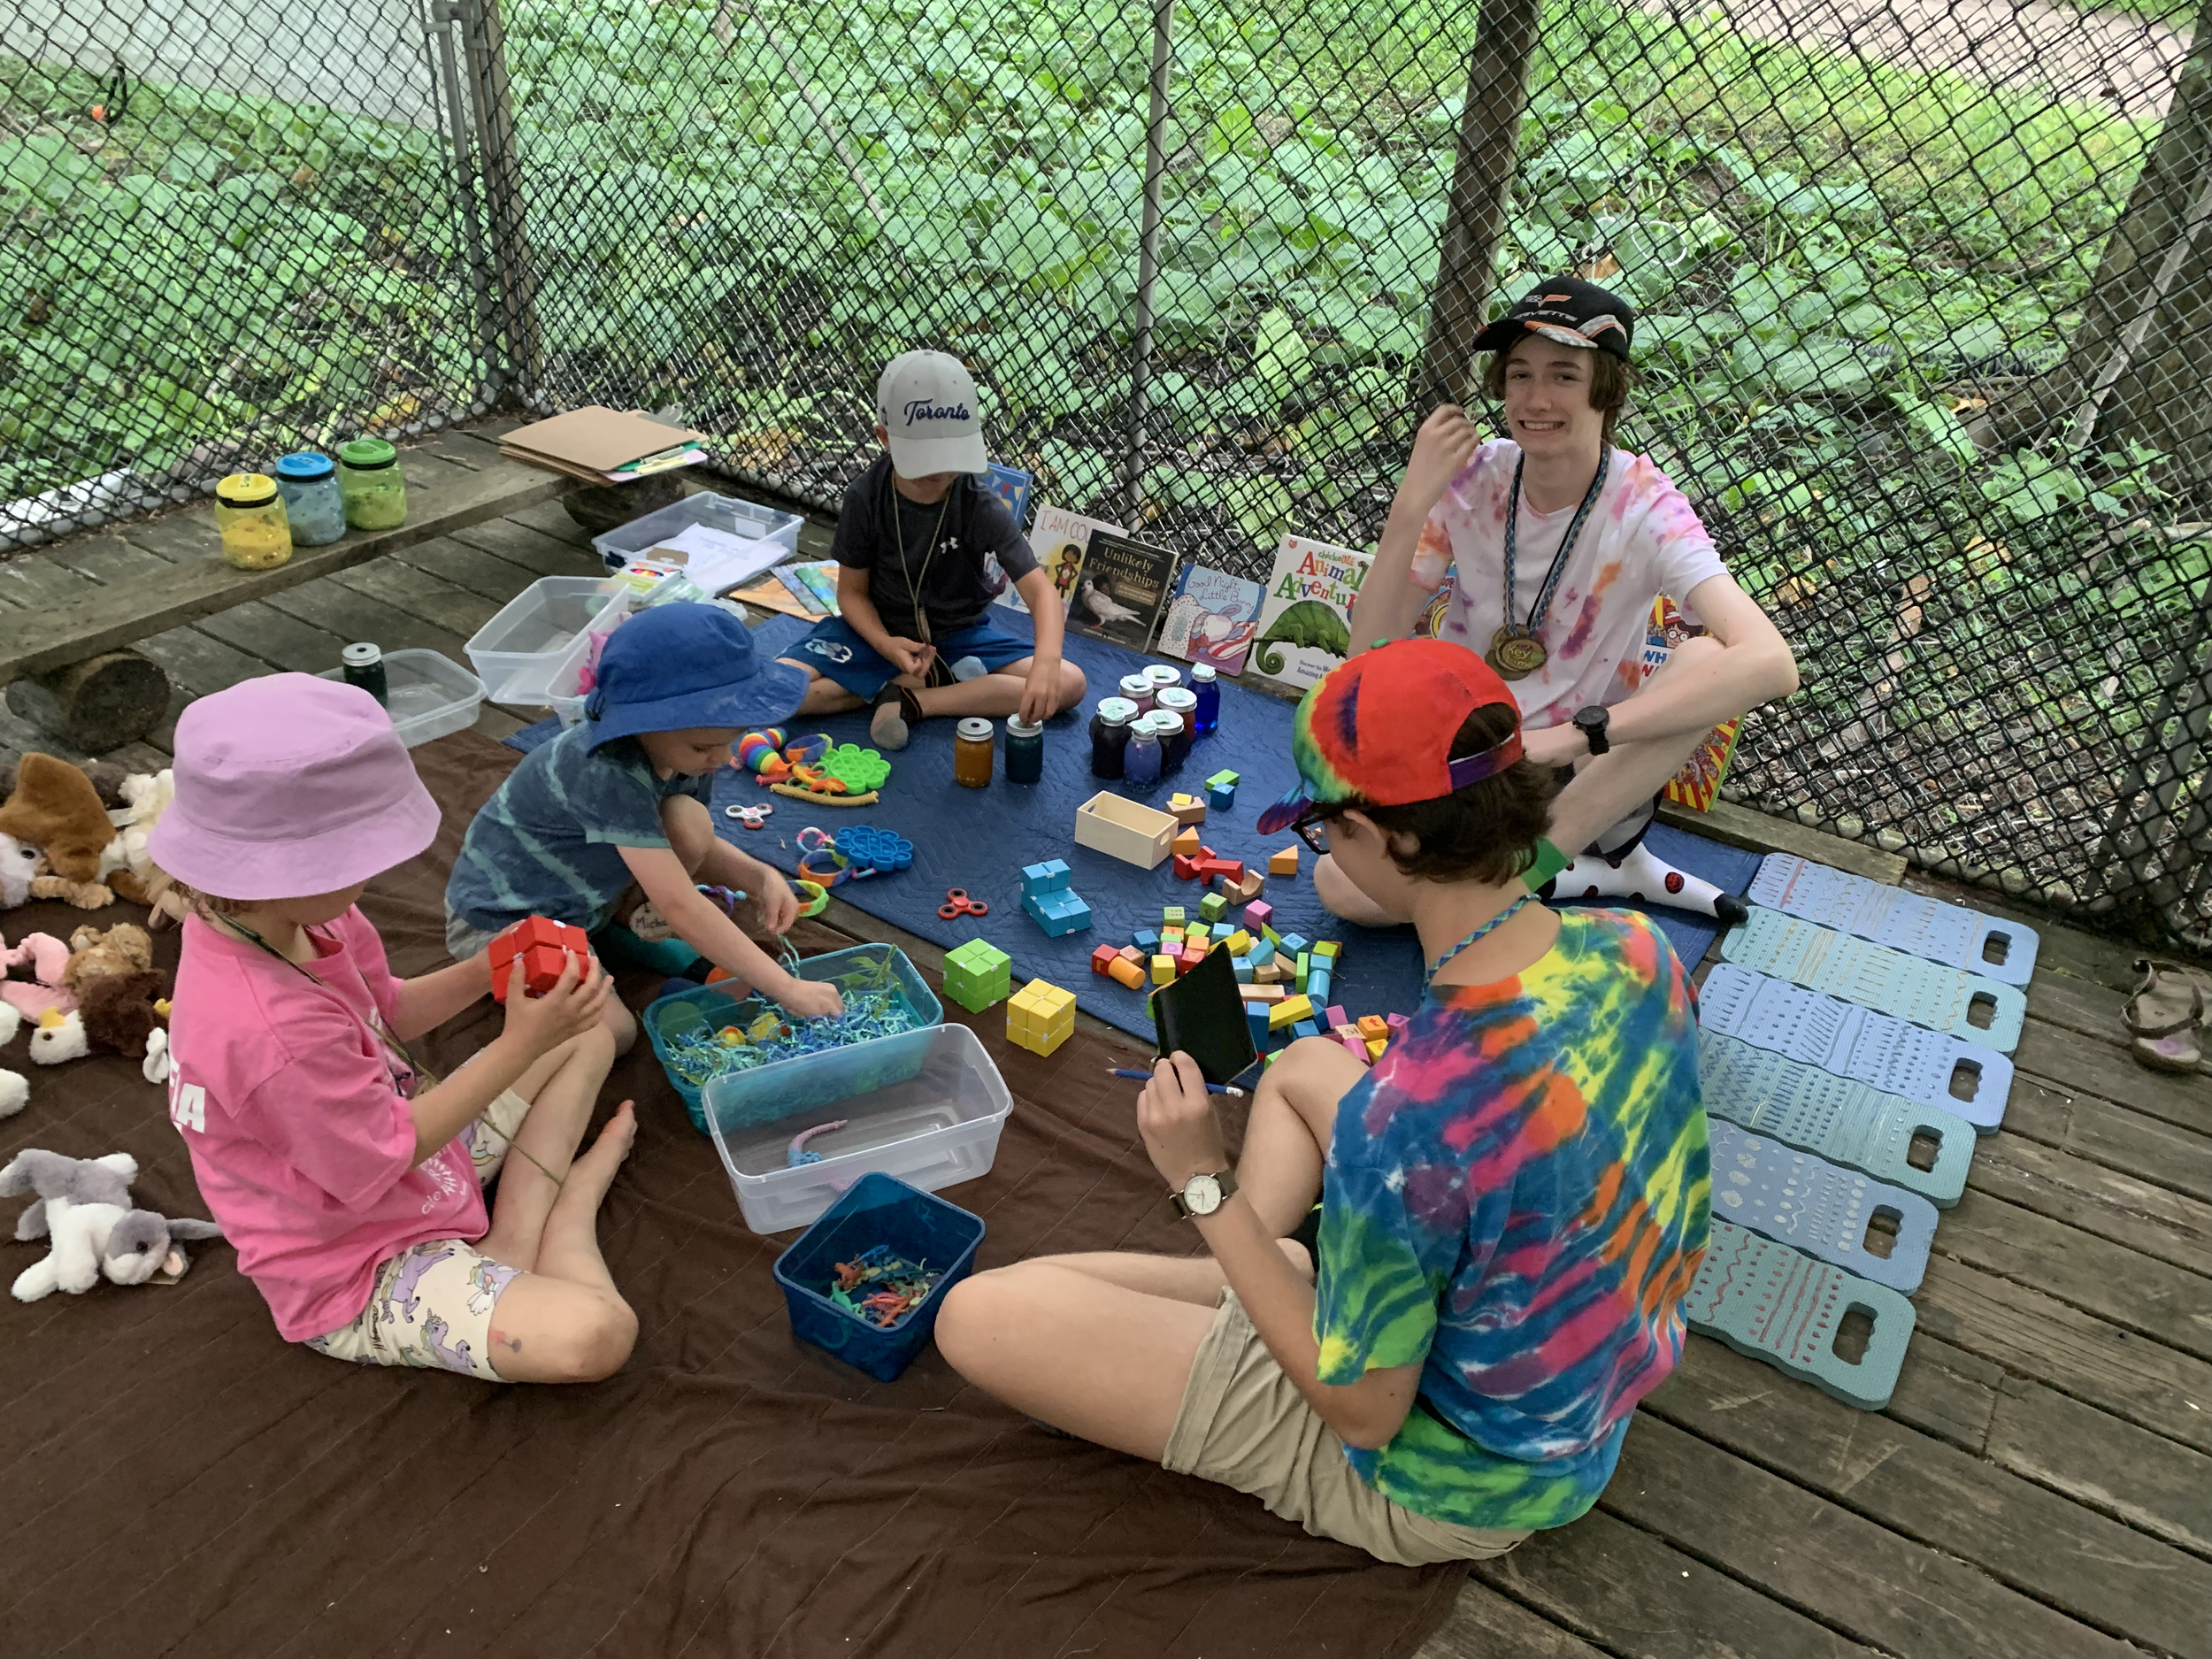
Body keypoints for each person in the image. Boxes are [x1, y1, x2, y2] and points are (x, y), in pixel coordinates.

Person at [934, 641, 1709, 1565]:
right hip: (1578, 1385)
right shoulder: (1632, 947)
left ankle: (1263, 1278)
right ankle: (1270, 1282)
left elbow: (1366, 1415)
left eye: (1326, 830)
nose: (1322, 850)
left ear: (1390, 840)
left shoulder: (1407, 1118)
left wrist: (1203, 1185)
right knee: (1302, 1065)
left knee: (976, 1317)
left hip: (1459, 1481)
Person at [154, 676, 639, 1385]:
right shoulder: (266, 1031)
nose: (379, 870)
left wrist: (484, 972)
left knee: (588, 1030)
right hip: (356, 1262)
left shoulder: (298, 914)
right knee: (595, 1335)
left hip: (418, 1164)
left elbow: (391, 1010)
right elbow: (381, 1157)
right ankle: (569, 1207)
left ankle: (508, 1235)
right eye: (359, 857)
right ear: (284, 868)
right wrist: (519, 1042)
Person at [1330, 275, 1798, 926]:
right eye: (1519, 374)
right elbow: (1364, 657)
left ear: (1605, 388)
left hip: (1580, 761)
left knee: (1715, 659)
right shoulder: (1471, 478)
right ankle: (1549, 877)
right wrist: (1411, 504)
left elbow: (1772, 663)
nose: (1536, 398)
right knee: (1342, 880)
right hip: (1471, 750)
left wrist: (1574, 736)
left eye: (1563, 376)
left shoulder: (1645, 504)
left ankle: (1534, 870)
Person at [446, 603, 842, 1050]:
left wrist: (759, 876)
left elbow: (693, 845)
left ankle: (615, 925)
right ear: (641, 725)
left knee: (688, 818)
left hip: (583, 901)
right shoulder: (605, 770)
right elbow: (677, 902)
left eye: (730, 740)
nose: (719, 758)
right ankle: (607, 937)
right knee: (613, 1034)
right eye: (703, 746)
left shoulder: (687, 750)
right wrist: (786, 988)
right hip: (502, 921)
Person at [776, 349, 1087, 750]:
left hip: (960, 637)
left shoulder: (979, 504)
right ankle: (916, 680)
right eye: (925, 458)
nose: (938, 472)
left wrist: (1046, 662)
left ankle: (916, 699)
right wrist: (886, 646)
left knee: (1069, 683)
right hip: (875, 634)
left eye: (950, 456)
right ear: (884, 438)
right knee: (780, 688)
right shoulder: (865, 498)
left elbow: (1041, 591)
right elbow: (850, 593)